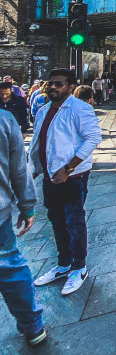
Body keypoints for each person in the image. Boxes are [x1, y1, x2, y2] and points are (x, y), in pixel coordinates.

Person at [29, 69, 102, 296]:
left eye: (58, 84)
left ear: (71, 87)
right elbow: (41, 142)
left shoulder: (80, 108)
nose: (53, 87)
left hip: (73, 176)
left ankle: (79, 268)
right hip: (50, 176)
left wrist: (68, 168)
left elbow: (93, 138)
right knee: (57, 221)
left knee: (74, 222)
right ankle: (63, 264)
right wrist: (34, 167)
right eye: (51, 84)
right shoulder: (43, 111)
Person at [0, 110, 46, 347]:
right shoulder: (4, 120)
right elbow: (20, 168)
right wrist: (27, 206)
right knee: (9, 267)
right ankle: (32, 326)